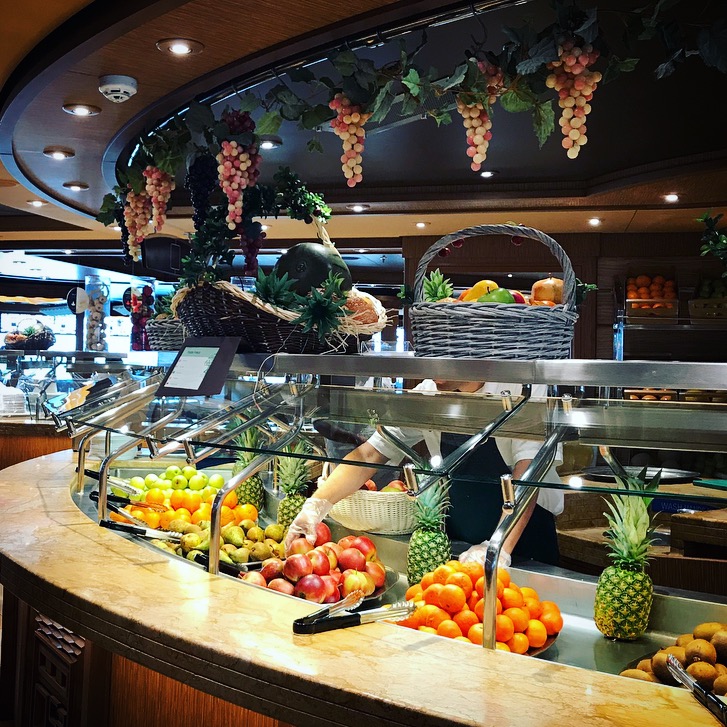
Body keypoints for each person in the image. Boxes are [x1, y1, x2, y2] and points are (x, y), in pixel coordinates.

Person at [285, 379, 564, 566]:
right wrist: (315, 506)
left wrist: (497, 547)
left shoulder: (523, 387)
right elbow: (370, 454)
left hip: (524, 545)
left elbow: (527, 477)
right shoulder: (430, 390)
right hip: (458, 539)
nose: (433, 373)